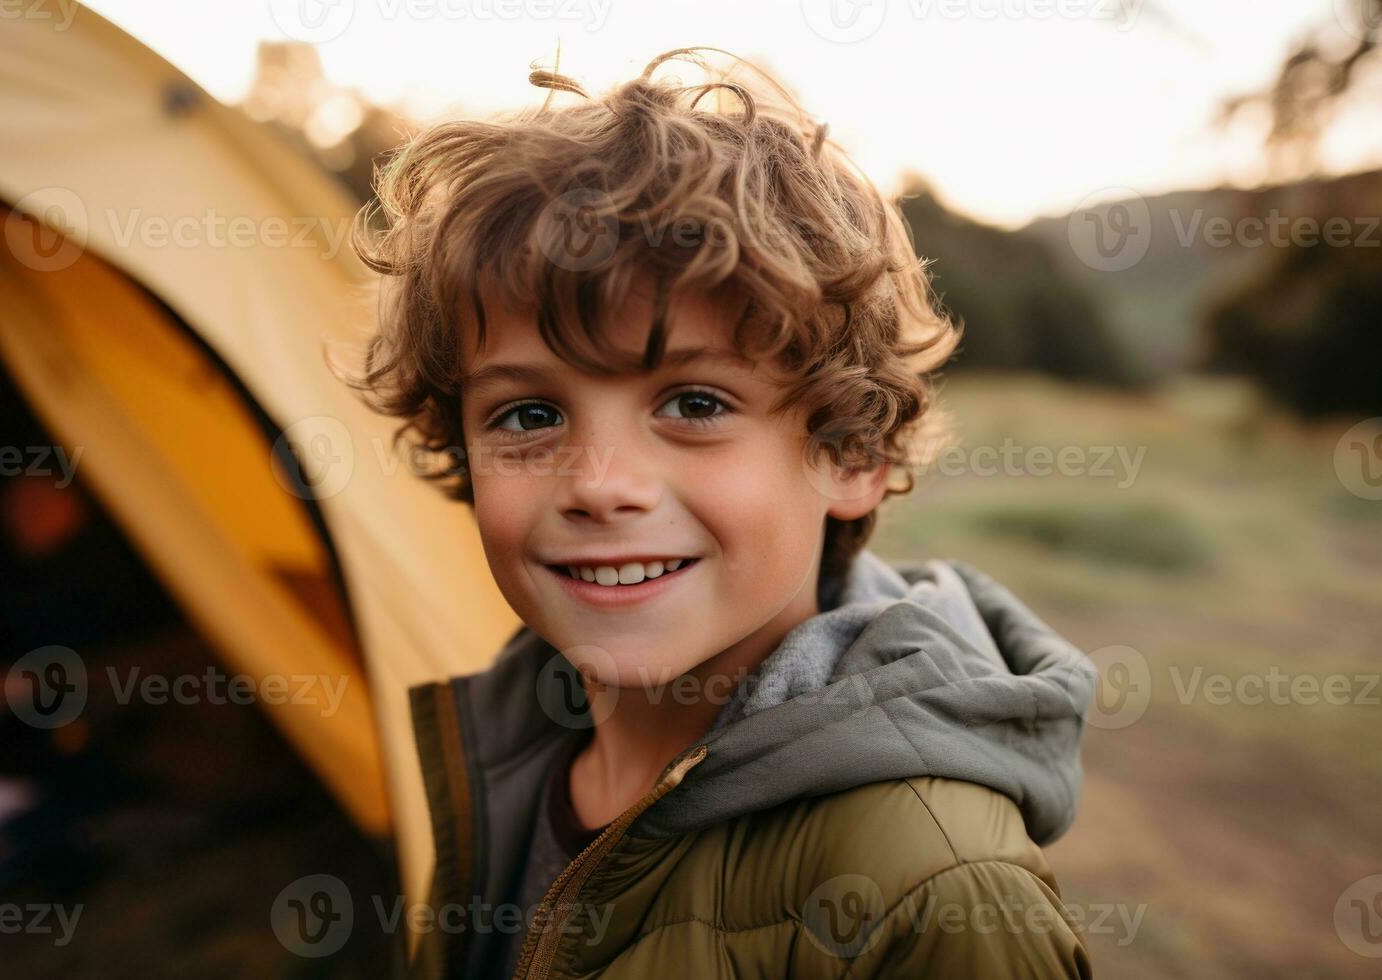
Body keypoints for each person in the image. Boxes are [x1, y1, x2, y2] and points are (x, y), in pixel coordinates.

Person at [346, 46, 1099, 979]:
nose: (599, 483)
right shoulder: (512, 741)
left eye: (694, 404)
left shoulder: (932, 890)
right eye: (529, 416)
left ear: (852, 455)